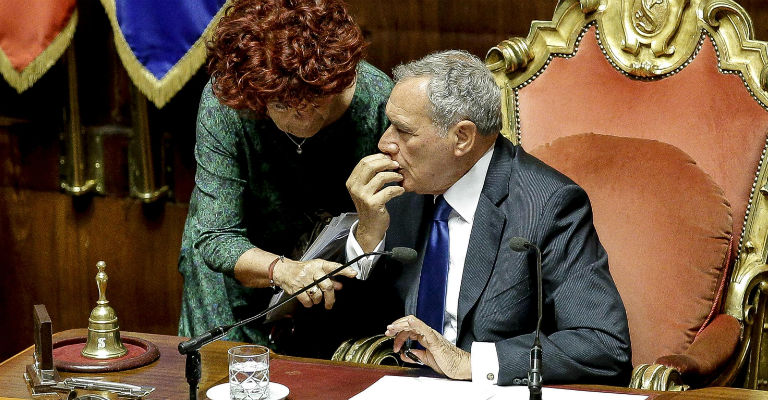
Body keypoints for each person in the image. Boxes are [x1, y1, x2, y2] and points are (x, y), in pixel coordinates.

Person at [345, 50, 632, 384]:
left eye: (403, 131)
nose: (384, 143)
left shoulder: (547, 205)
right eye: (388, 124)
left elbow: (602, 344)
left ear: (462, 138)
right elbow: (360, 327)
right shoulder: (399, 186)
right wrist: (367, 234)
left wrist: (471, 363)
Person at [178, 0, 394, 356]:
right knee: (223, 372)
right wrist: (283, 270)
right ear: (255, 97)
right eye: (281, 106)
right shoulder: (226, 103)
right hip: (234, 269)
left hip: (333, 275)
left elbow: (395, 222)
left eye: (316, 101)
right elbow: (216, 236)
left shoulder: (376, 99)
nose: (302, 120)